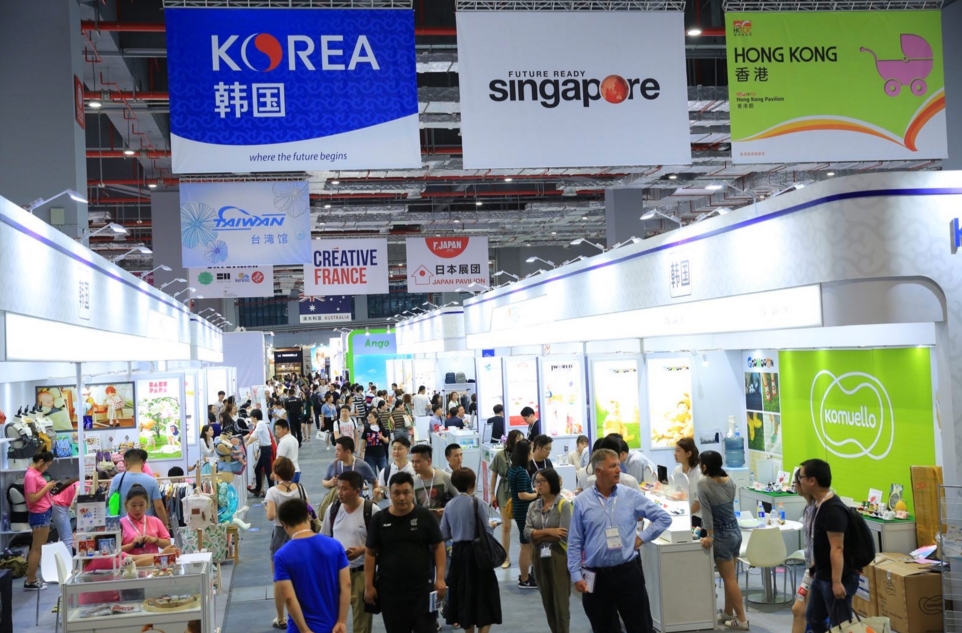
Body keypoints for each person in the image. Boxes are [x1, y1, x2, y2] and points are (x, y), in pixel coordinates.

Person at [568, 448, 672, 633]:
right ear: (599, 471)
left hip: (627, 573)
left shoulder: (630, 495)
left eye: (618, 465)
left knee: (640, 627)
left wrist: (641, 538)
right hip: (596, 577)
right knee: (603, 628)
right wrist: (575, 574)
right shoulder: (582, 501)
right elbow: (575, 541)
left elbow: (663, 518)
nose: (618, 470)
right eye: (612, 466)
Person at [365, 472, 446, 633]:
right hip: (390, 592)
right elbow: (370, 553)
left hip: (422, 590)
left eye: (406, 492)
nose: (402, 497)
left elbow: (439, 546)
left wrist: (440, 578)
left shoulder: (425, 516)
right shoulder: (379, 519)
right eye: (396, 493)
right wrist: (369, 586)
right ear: (389, 494)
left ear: (412, 492)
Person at [798, 458, 859, 633]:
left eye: (801, 477)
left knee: (840, 625)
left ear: (812, 480)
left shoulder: (833, 510)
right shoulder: (818, 505)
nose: (799, 481)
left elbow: (837, 547)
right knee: (813, 618)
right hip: (821, 574)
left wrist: (837, 582)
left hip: (837, 577)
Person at [273, 498, 350, 633]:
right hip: (332, 627)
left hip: (299, 629)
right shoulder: (335, 545)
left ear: (284, 524)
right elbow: (346, 585)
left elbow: (289, 599)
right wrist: (342, 621)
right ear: (308, 516)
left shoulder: (281, 556)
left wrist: (305, 630)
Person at [440, 468, 502, 633]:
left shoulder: (449, 505)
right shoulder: (477, 503)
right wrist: (492, 525)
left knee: (464, 598)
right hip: (477, 554)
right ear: (472, 484)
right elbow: (486, 531)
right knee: (486, 597)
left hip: (458, 554)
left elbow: (444, 533)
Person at [696, 450, 748, 630]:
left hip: (721, 535)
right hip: (735, 531)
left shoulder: (703, 484)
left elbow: (707, 514)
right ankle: (728, 612)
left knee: (729, 579)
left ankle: (741, 619)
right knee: (731, 577)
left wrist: (710, 535)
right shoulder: (729, 480)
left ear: (704, 466)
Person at [322, 471, 379, 633]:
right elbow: (324, 540)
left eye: (344, 489)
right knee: (332, 621)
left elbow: (382, 544)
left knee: (362, 624)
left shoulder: (371, 511)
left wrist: (361, 551)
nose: (339, 492)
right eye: (338, 488)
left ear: (357, 491)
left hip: (362, 574)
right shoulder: (332, 510)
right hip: (337, 574)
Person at [524, 468, 572, 633]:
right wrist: (549, 532)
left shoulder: (563, 505)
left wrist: (538, 535)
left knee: (560, 602)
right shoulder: (533, 506)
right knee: (547, 600)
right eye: (536, 481)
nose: (538, 485)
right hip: (538, 555)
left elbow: (563, 535)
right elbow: (527, 533)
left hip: (558, 556)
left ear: (551, 483)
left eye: (542, 481)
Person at [266, 457, 309, 629]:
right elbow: (308, 511)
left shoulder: (272, 492)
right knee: (301, 574)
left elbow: (271, 516)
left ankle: (281, 617)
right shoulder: (301, 488)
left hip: (280, 534)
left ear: (276, 473)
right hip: (300, 533)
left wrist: (268, 507)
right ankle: (302, 612)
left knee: (279, 578)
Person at [508, 439, 539, 588]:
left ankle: (526, 576)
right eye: (531, 451)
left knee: (526, 544)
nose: (532, 453)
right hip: (523, 510)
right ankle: (525, 579)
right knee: (526, 546)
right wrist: (536, 494)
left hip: (520, 509)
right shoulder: (520, 471)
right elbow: (522, 495)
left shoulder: (514, 468)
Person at [24, 451, 56, 589]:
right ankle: (30, 580)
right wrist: (47, 487)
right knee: (37, 549)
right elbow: (32, 498)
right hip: (39, 513)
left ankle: (31, 579)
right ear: (41, 461)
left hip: (43, 512)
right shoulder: (31, 476)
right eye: (47, 465)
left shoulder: (35, 474)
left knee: (37, 548)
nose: (47, 468)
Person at [108, 449, 168, 523]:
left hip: (124, 525)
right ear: (142, 462)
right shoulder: (152, 481)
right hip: (147, 524)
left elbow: (110, 500)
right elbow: (159, 507)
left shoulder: (117, 479)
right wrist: (165, 524)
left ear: (125, 463)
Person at [490, 430, 521, 569]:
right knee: (506, 526)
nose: (520, 441)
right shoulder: (500, 455)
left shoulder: (523, 454)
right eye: (518, 439)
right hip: (503, 491)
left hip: (519, 490)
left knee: (524, 526)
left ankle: (527, 555)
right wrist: (492, 494)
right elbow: (494, 475)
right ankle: (506, 557)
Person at [792, 474, 818, 633]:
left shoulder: (821, 510)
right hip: (811, 570)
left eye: (796, 481)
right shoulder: (808, 509)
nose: (794, 485)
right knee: (798, 610)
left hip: (820, 573)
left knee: (805, 612)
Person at [410, 444, 458, 520]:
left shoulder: (446, 477)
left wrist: (447, 510)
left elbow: (459, 500)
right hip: (422, 524)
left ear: (429, 461)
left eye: (418, 462)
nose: (414, 465)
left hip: (444, 523)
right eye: (412, 462)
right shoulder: (412, 482)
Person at [120, 484, 172, 555]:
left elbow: (168, 544)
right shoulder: (120, 524)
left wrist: (156, 540)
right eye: (133, 505)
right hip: (131, 562)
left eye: (141, 505)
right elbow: (115, 551)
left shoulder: (155, 521)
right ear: (126, 504)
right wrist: (132, 545)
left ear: (147, 504)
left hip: (153, 561)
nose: (137, 509)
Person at [373, 436, 415, 504]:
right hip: (393, 508)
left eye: (399, 448)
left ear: (407, 450)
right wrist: (377, 495)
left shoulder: (414, 469)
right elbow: (381, 494)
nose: (396, 451)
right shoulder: (385, 472)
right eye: (394, 448)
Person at [672, 437, 703, 527]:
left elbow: (698, 503)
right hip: (681, 511)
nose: (675, 454)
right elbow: (672, 491)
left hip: (697, 516)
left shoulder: (699, 473)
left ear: (688, 453)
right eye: (675, 450)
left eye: (678, 451)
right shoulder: (677, 470)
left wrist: (683, 515)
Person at [246, 410, 274, 497]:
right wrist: (246, 442)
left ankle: (272, 490)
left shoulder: (260, 424)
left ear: (255, 417)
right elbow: (255, 436)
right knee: (258, 469)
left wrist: (246, 444)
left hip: (266, 449)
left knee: (268, 471)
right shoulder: (260, 424)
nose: (251, 419)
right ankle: (258, 489)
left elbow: (254, 435)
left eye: (251, 417)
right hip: (264, 449)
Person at [274, 419, 301, 484]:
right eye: (276, 429)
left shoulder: (284, 442)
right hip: (296, 471)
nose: (277, 431)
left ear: (285, 429)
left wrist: (274, 472)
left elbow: (280, 459)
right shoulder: (294, 439)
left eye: (279, 429)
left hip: (286, 474)